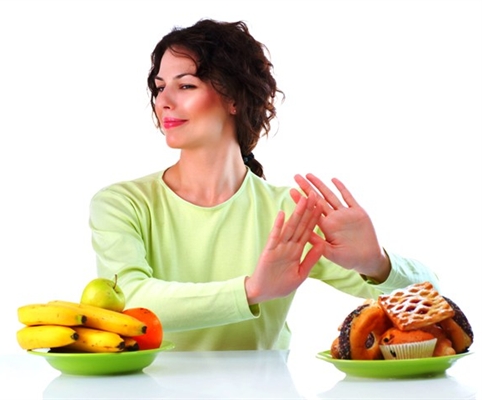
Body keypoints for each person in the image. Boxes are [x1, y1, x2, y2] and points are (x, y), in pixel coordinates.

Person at [89, 19, 439, 350]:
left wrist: (377, 264)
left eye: (186, 85)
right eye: (160, 87)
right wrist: (252, 291)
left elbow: (429, 295)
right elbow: (130, 301)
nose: (164, 101)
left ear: (234, 98)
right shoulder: (123, 203)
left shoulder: (292, 213)